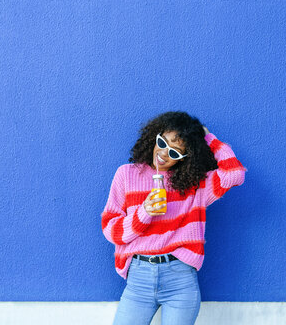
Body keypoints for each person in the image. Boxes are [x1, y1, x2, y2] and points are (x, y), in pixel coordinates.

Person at [101, 111, 247, 325]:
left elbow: (235, 174)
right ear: (154, 136)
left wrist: (208, 138)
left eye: (175, 152)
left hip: (180, 278)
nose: (164, 153)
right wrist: (144, 213)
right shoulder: (127, 174)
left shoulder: (196, 185)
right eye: (162, 142)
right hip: (139, 278)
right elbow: (110, 230)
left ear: (187, 157)